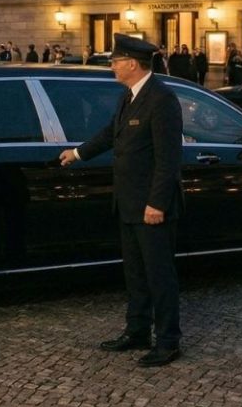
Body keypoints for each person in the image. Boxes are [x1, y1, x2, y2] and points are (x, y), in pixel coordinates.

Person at [59, 35, 183, 367]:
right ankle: (138, 331)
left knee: (159, 275)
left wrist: (157, 203)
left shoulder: (162, 99)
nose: (112, 66)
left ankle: (168, 341)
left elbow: (168, 159)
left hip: (151, 207)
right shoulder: (127, 98)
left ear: (132, 63)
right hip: (128, 202)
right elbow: (109, 134)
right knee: (135, 274)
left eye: (115, 61)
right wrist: (78, 153)